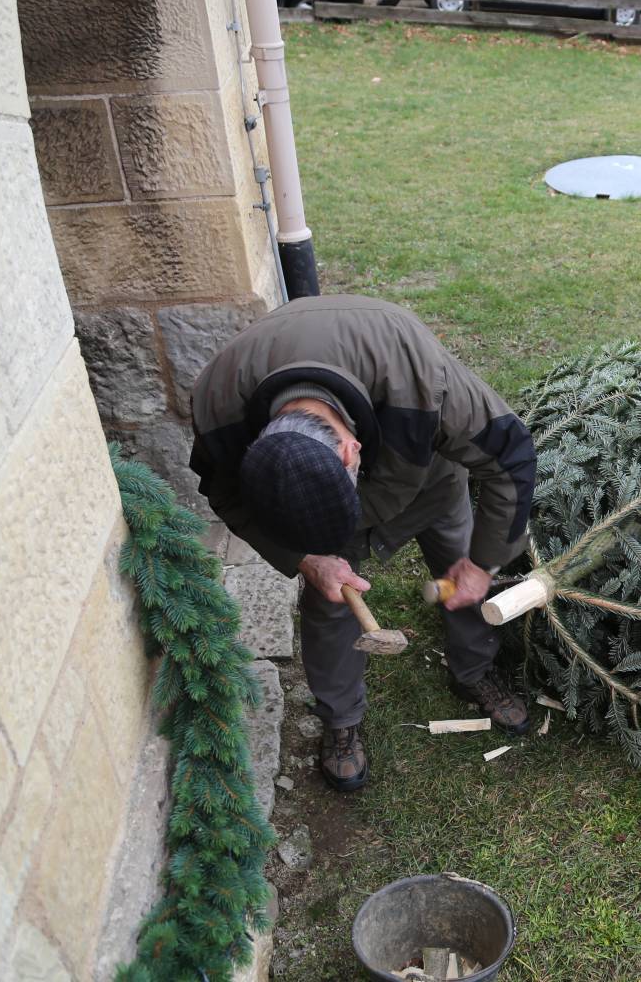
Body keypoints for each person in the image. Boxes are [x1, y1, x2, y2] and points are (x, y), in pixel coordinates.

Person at [188, 295, 537, 791]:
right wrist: (306, 558)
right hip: (327, 500)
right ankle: (340, 720)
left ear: (352, 449)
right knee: (329, 602)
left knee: (460, 570)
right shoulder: (218, 408)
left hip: (427, 481)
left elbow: (511, 454)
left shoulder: (418, 377)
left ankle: (473, 670)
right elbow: (221, 491)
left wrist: (483, 563)